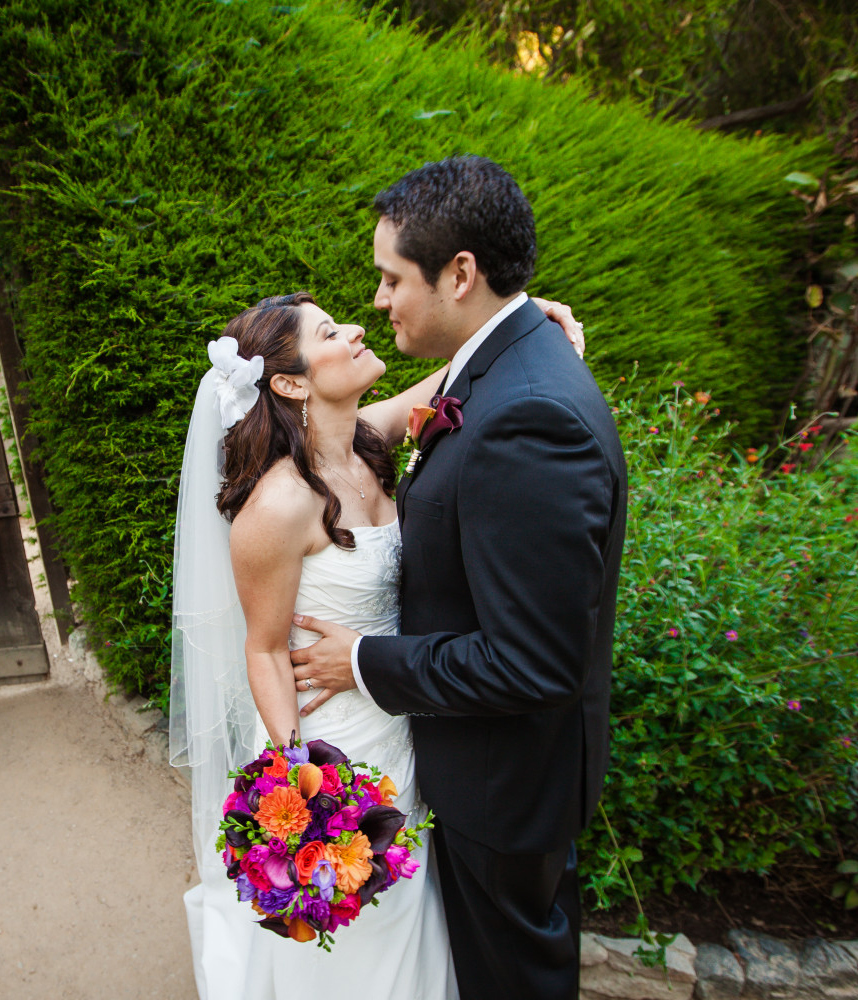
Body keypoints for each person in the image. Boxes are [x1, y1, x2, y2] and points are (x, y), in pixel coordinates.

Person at [169, 214, 588, 995]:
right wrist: (305, 783)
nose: (358, 325)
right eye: (331, 331)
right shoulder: (275, 509)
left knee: (421, 923)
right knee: (360, 936)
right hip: (339, 743)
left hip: (408, 721)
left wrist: (533, 321)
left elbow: (456, 374)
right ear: (291, 382)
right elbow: (262, 650)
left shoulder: (369, 440)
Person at [289, 157, 627, 1000]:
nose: (377, 302)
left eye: (390, 277)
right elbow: (343, 437)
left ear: (461, 275)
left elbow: (533, 663)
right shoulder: (501, 371)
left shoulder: (529, 416)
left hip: (504, 792)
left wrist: (363, 660)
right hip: (480, 774)